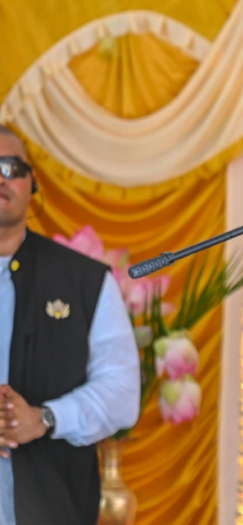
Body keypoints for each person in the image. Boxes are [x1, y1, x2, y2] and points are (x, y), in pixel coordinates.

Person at [0, 126, 140, 525]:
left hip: (51, 504)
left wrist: (45, 418)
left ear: (32, 184)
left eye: (11, 168)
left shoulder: (85, 281)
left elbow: (122, 390)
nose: (1, 178)